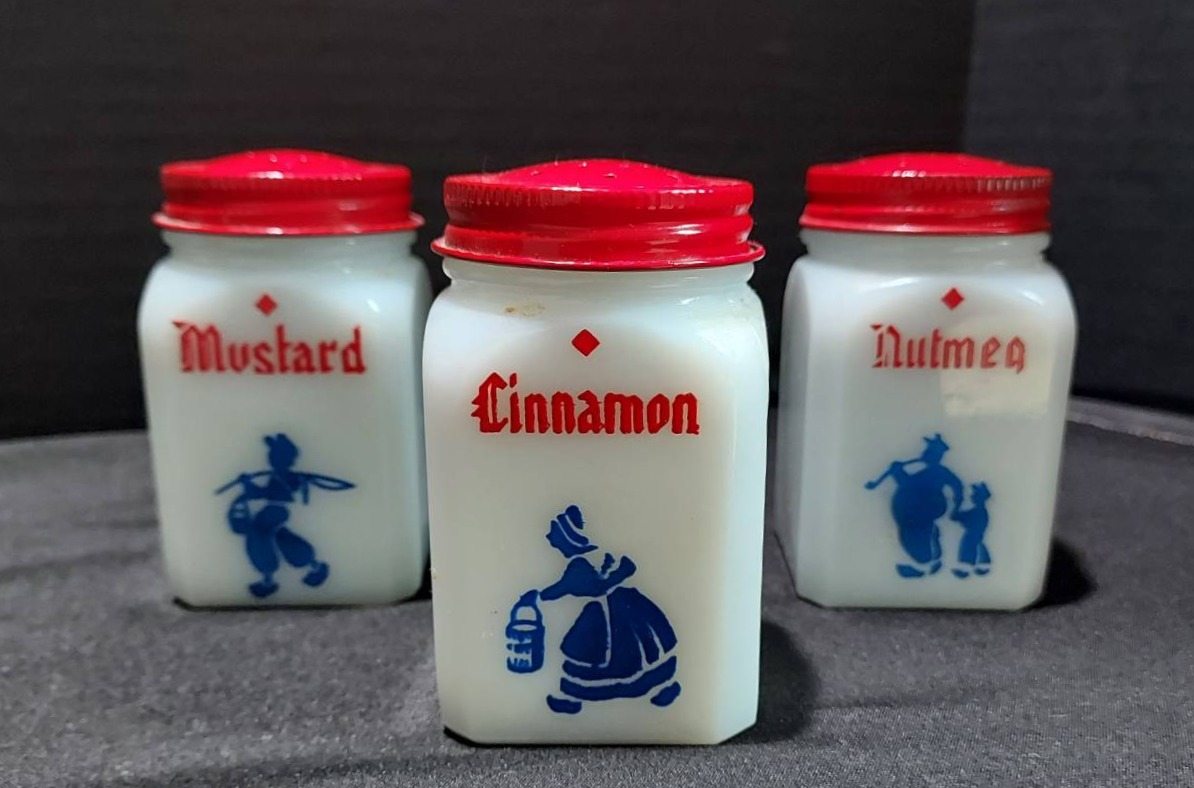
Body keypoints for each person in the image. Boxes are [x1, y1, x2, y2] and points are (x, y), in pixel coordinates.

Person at [507, 505, 681, 715]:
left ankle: (575, 696)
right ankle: (661, 687)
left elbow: (565, 588)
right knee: (644, 650)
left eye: (553, 534)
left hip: (607, 616)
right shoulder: (592, 559)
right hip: (617, 609)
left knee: (594, 654)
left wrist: (538, 596)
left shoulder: (580, 565)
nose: (549, 538)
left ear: (567, 539)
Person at [218, 434, 351, 598]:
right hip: (273, 511)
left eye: (275, 457)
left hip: (274, 512)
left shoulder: (287, 477)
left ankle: (269, 580)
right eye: (272, 457)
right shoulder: (279, 476)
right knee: (281, 538)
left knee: (259, 538)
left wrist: (247, 484)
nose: (271, 460)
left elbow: (264, 493)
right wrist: (247, 484)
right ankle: (313, 566)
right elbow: (262, 493)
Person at [865, 434, 965, 577]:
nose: (924, 453)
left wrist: (956, 507)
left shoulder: (938, 473)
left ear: (936, 455)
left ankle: (925, 566)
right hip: (911, 515)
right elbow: (908, 485)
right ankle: (928, 563)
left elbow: (912, 486)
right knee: (915, 538)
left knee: (917, 539)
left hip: (922, 512)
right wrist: (897, 472)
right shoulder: (927, 472)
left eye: (929, 451)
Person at [951, 482, 993, 578]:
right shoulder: (979, 511)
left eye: (975, 494)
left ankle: (966, 570)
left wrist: (957, 504)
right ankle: (974, 568)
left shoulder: (978, 512)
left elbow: (955, 516)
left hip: (973, 535)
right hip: (975, 536)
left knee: (968, 551)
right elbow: (956, 517)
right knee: (973, 550)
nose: (972, 496)